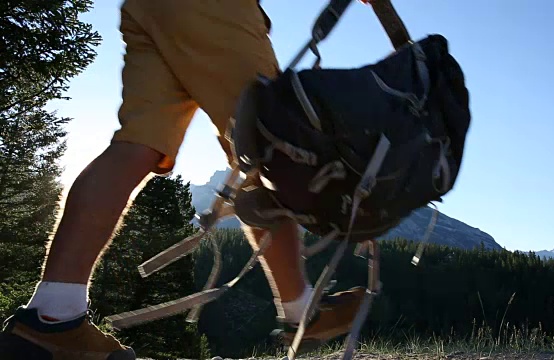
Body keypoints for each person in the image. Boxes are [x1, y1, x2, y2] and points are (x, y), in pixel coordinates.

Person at [0, 0, 365, 358]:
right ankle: (303, 313)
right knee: (267, 148)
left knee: (136, 146)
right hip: (214, 9)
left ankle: (52, 317)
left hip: (148, 9)